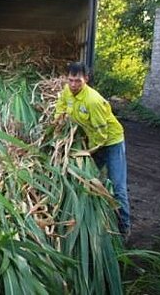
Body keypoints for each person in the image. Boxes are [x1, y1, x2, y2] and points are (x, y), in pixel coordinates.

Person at [55, 62, 131, 237]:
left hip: (111, 142)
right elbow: (61, 106)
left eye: (78, 81)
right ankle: (95, 215)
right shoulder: (68, 91)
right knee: (87, 178)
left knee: (118, 185)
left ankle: (124, 228)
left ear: (86, 80)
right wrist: (57, 123)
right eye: (70, 80)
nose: (73, 85)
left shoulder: (93, 100)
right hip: (94, 140)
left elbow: (101, 134)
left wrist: (88, 152)